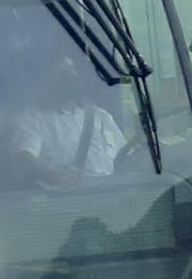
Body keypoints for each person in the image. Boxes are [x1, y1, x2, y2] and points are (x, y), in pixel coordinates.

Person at [12, 52, 126, 184]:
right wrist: (51, 174)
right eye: (64, 75)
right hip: (70, 200)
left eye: (73, 73)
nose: (72, 78)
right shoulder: (34, 118)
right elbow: (23, 157)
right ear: (48, 81)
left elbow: (126, 158)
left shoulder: (102, 117)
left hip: (115, 194)